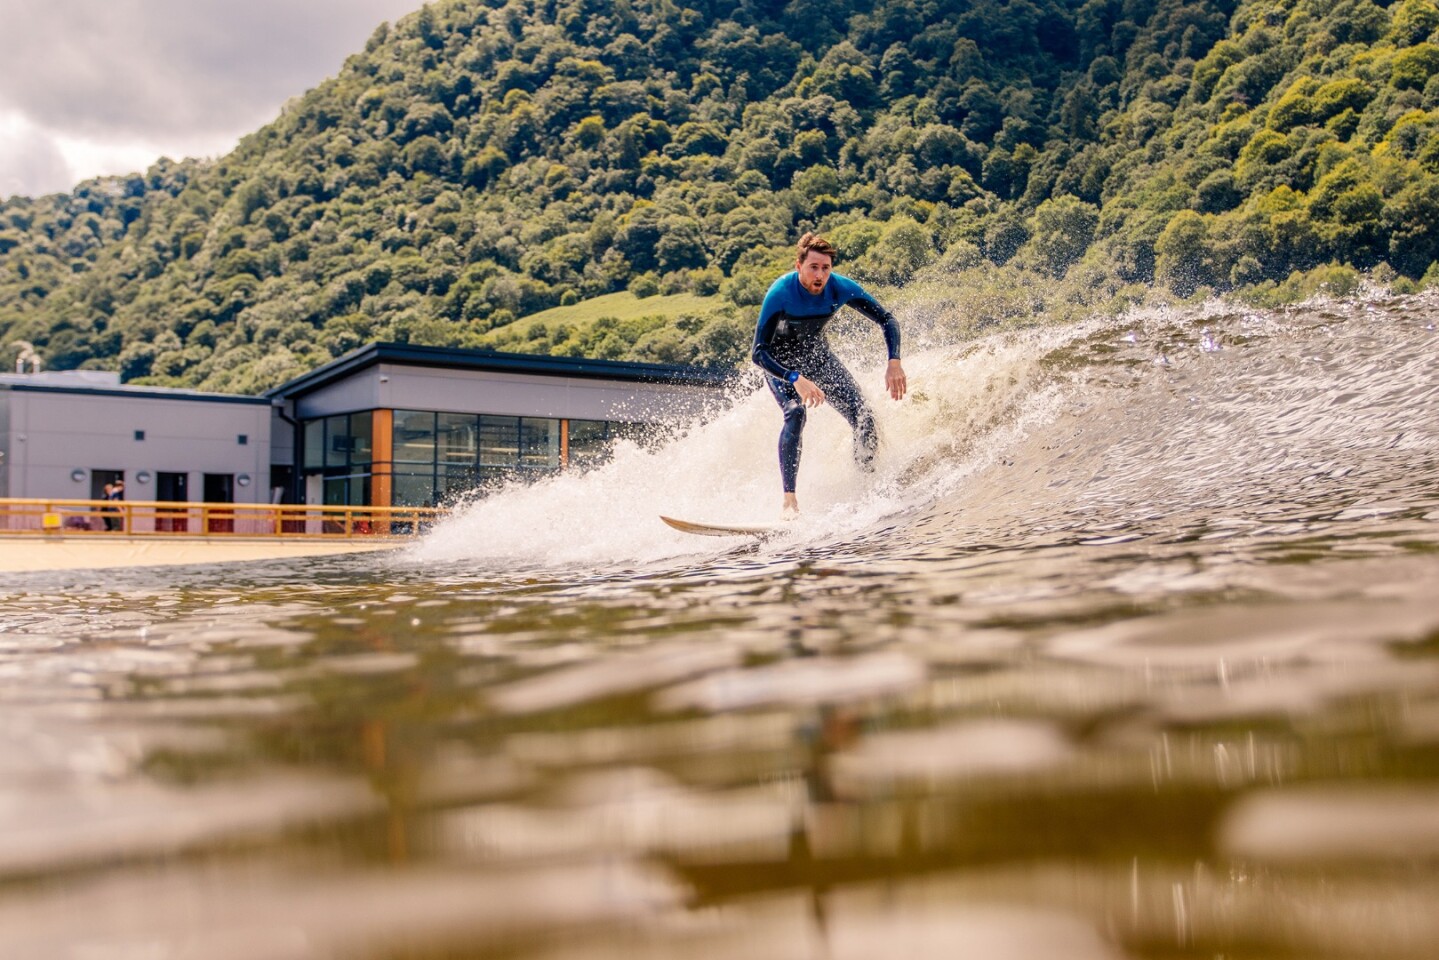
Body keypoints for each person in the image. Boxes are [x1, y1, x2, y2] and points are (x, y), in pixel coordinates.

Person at [752, 233, 907, 516]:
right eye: (813, 267)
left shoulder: (840, 288)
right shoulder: (781, 293)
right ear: (798, 266)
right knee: (796, 413)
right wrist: (794, 378)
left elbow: (887, 319)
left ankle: (867, 491)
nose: (820, 275)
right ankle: (789, 502)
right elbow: (759, 353)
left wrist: (894, 361)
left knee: (864, 416)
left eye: (825, 268)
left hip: (819, 360)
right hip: (781, 366)